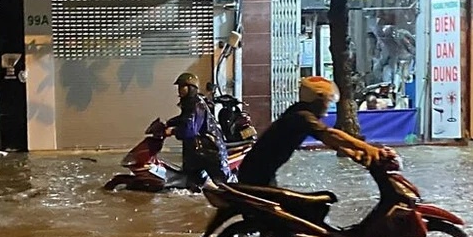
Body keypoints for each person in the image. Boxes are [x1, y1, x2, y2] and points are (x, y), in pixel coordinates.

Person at [236, 76, 390, 186]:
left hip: (261, 173)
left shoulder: (301, 113)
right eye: (326, 101)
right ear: (317, 100)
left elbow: (331, 141)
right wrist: (367, 148)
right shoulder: (302, 117)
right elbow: (330, 134)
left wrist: (357, 154)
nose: (327, 105)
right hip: (256, 176)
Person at [166, 72, 232, 184]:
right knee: (191, 186)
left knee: (225, 186)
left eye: (183, 86)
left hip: (210, 151)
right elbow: (184, 119)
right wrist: (168, 123)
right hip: (197, 153)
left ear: (191, 88)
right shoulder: (189, 104)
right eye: (179, 87)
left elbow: (190, 130)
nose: (180, 90)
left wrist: (173, 131)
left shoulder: (197, 104)